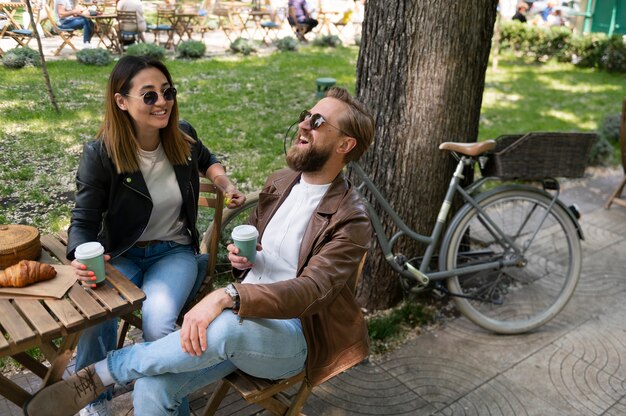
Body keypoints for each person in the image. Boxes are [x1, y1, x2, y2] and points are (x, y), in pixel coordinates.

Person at [24, 87, 375, 416]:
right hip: (241, 321)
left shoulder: (350, 218)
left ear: (345, 144)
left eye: (317, 122)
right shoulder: (281, 182)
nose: (303, 124)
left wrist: (229, 295)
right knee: (151, 389)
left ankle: (103, 372)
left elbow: (311, 292)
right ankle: (116, 373)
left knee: (224, 327)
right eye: (305, 115)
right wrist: (243, 257)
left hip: (292, 338)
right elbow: (259, 252)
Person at [64, 55, 245, 416]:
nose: (162, 102)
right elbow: (83, 218)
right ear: (121, 101)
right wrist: (77, 257)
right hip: (122, 255)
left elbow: (207, 157)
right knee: (96, 314)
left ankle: (167, 403)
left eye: (167, 92)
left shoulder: (182, 136)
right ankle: (95, 401)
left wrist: (223, 182)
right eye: (149, 95)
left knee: (159, 321)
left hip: (173, 253)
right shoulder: (100, 153)